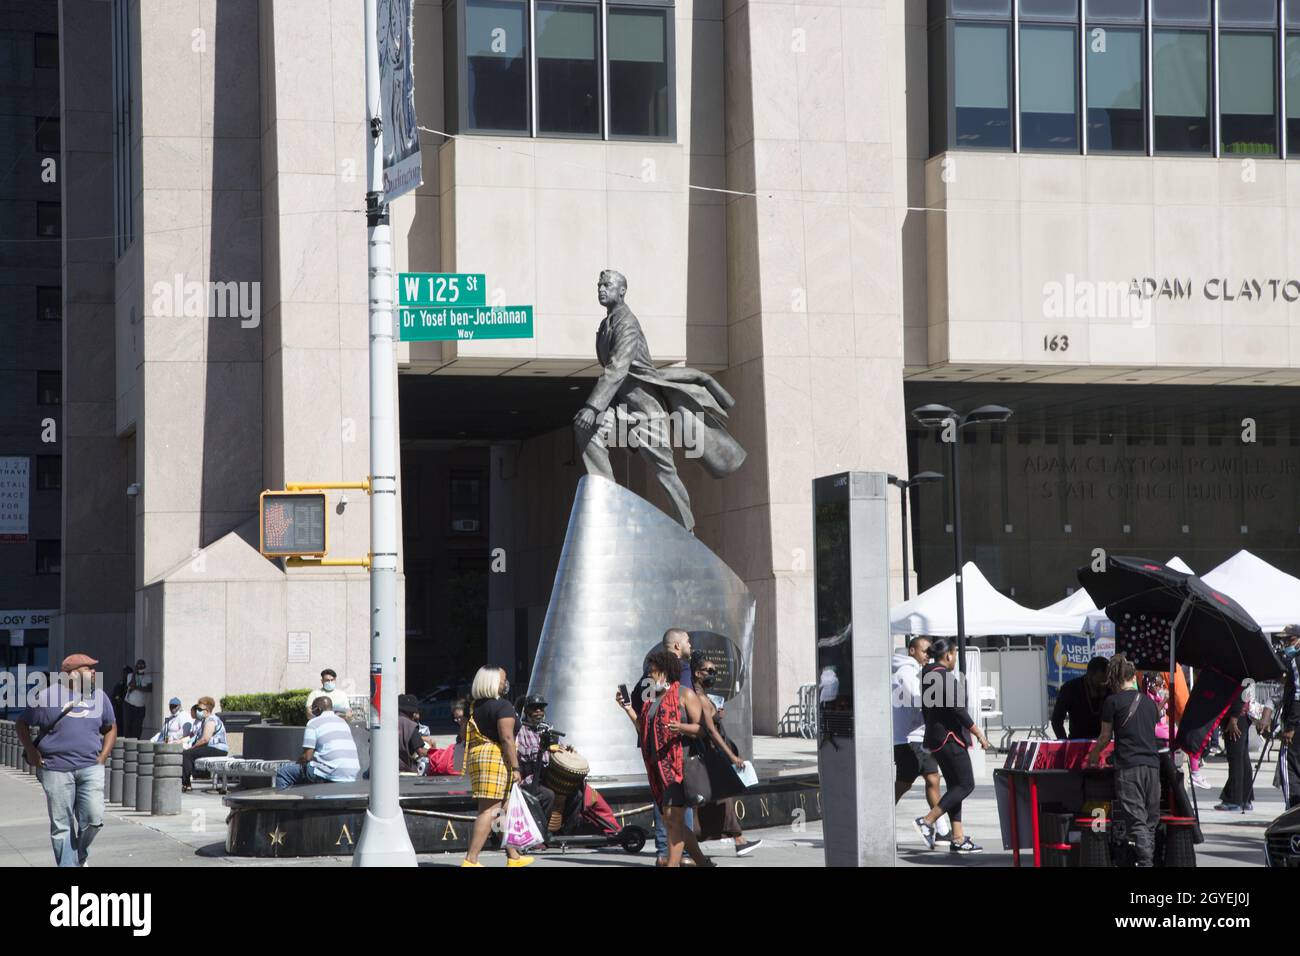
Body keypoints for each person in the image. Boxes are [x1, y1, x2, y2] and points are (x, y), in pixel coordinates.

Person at [16, 653, 117, 867]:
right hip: (55, 768)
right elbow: (22, 724)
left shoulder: (99, 696)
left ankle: (79, 856)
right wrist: (31, 751)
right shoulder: (46, 697)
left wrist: (103, 756)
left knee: (94, 819)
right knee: (62, 825)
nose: (93, 672)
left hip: (90, 766)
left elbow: (110, 727)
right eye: (87, 668)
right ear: (71, 674)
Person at [617, 649, 713, 867]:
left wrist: (681, 727)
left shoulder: (684, 694)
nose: (650, 677)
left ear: (666, 672)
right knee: (673, 820)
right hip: (657, 767)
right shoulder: (652, 698)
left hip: (678, 767)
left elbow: (702, 730)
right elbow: (643, 730)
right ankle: (701, 861)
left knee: (672, 817)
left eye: (653, 672)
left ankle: (672, 864)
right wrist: (628, 709)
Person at [913, 638, 989, 853]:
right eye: (954, 654)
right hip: (949, 738)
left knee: (956, 786)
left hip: (937, 739)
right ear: (948, 655)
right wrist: (978, 733)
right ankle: (927, 821)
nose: (955, 658)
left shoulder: (928, 673)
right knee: (966, 785)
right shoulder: (942, 675)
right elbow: (957, 709)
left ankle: (957, 837)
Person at [629, 628, 697, 865]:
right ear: (677, 646)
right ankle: (677, 854)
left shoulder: (651, 671)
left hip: (658, 744)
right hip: (672, 746)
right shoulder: (678, 670)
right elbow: (679, 702)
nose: (691, 645)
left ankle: (667, 852)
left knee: (668, 804)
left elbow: (643, 701)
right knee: (675, 804)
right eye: (688, 641)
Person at [1087, 654, 1162, 867]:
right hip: (1152, 767)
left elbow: (1104, 737)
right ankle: (1147, 861)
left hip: (1129, 768)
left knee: (1136, 819)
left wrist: (1094, 755)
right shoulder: (1149, 703)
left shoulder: (1112, 702)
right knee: (1150, 821)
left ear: (1115, 679)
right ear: (1132, 677)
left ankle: (1146, 863)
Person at [690, 651, 761, 856]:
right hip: (710, 755)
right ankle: (735, 839)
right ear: (696, 673)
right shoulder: (700, 698)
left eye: (715, 670)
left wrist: (717, 714)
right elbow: (711, 732)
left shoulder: (703, 696)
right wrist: (731, 756)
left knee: (719, 798)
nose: (713, 674)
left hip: (712, 754)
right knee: (717, 797)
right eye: (708, 671)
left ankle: (737, 839)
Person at [462, 666, 533, 867]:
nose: (506, 683)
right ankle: (471, 860)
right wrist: (516, 767)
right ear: (492, 682)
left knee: (502, 808)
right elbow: (507, 738)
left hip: (478, 757)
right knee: (490, 810)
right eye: (503, 679)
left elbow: (462, 734)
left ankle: (513, 856)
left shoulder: (472, 707)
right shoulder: (503, 706)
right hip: (495, 759)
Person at [892, 636, 949, 838]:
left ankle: (942, 830)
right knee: (904, 783)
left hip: (919, 736)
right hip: (906, 739)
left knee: (933, 779)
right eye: (925, 651)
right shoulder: (905, 671)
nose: (928, 655)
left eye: (929, 651)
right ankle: (879, 817)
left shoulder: (919, 671)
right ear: (912, 651)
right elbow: (917, 699)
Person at [275, 695, 361, 789]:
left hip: (329, 773)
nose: (312, 712)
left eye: (313, 709)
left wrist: (298, 762)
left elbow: (307, 757)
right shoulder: (343, 722)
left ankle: (283, 803)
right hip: (351, 773)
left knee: (284, 773)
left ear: (318, 709)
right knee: (307, 771)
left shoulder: (313, 723)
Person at [1051, 657, 1109, 740]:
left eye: (1107, 679)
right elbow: (1056, 721)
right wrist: (1065, 743)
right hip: (1077, 741)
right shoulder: (1070, 688)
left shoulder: (1110, 688)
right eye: (1101, 679)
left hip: (1103, 742)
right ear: (1090, 674)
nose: (1104, 683)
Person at [181, 696, 229, 791]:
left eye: (199, 709)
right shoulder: (205, 720)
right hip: (213, 748)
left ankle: (186, 783)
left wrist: (192, 748)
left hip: (217, 749)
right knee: (189, 753)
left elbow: (205, 739)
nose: (197, 711)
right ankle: (187, 782)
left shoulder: (211, 720)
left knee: (187, 754)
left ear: (206, 710)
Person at [1279, 626, 1300, 808]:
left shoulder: (1296, 661)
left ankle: (1292, 809)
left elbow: (1298, 694)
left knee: (1288, 766)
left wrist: (1291, 726)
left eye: (1290, 640)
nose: (1287, 645)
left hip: (1296, 725)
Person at [396, 694, 429, 773]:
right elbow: (420, 751)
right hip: (403, 771)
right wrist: (436, 752)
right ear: (412, 712)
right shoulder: (410, 725)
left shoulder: (385, 723)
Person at [122, 658, 152, 738]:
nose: (140, 667)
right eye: (138, 665)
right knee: (128, 725)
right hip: (129, 704)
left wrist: (136, 687)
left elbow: (149, 689)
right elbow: (131, 684)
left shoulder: (147, 677)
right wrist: (134, 673)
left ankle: (136, 742)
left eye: (142, 665)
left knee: (138, 726)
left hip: (140, 706)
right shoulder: (130, 675)